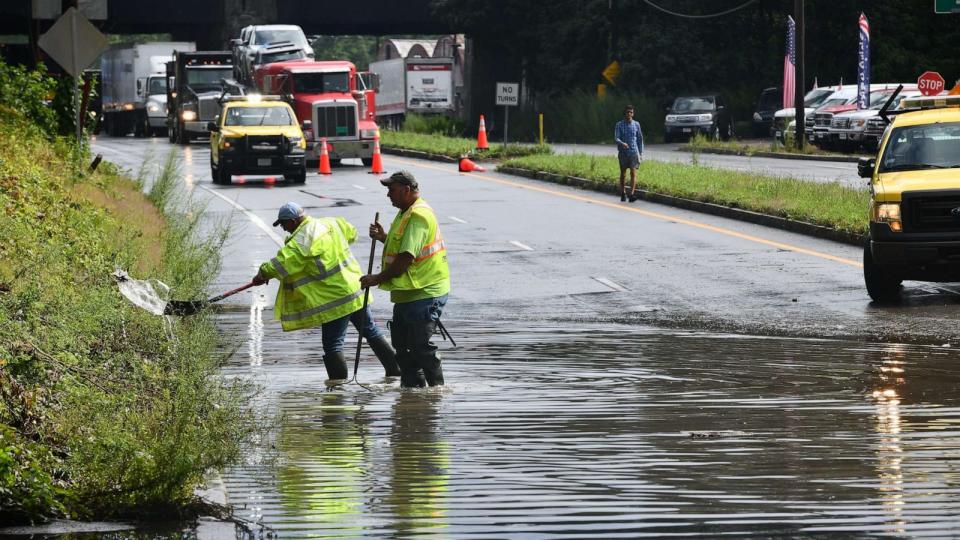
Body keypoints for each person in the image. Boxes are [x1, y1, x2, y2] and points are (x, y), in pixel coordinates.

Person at [253, 202, 400, 380]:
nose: (284, 229)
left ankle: (337, 388)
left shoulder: (302, 238)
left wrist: (262, 274)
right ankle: (396, 372)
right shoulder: (331, 223)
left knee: (333, 345)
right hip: (355, 289)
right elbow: (351, 233)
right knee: (371, 330)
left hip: (334, 299)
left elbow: (281, 263)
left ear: (292, 221)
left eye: (283, 224)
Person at [359, 171, 450, 388]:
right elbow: (402, 247)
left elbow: (405, 259)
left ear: (406, 190)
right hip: (407, 293)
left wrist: (376, 278)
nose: (388, 195)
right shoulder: (404, 212)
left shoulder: (418, 215)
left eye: (392, 190)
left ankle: (437, 391)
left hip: (425, 291)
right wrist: (383, 237)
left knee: (420, 347)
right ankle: (412, 394)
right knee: (403, 348)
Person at [614, 104, 644, 202]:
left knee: (633, 172)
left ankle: (631, 194)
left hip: (633, 152)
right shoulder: (619, 124)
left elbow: (640, 139)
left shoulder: (636, 124)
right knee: (623, 174)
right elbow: (616, 138)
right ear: (625, 113)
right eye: (627, 112)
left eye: (631, 112)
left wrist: (641, 152)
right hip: (623, 153)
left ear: (633, 114)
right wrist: (622, 143)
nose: (629, 114)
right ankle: (623, 192)